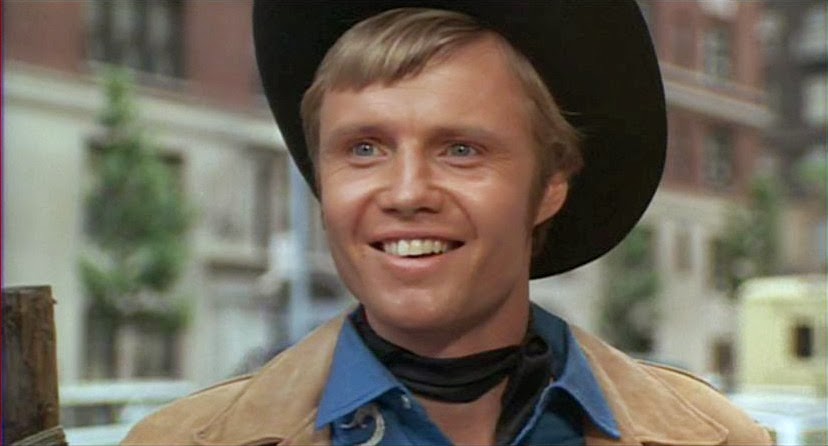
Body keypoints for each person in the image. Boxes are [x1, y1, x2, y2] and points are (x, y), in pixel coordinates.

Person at [123, 2, 771, 445]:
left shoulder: (716, 438)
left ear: (550, 184)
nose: (407, 193)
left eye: (460, 149)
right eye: (365, 149)